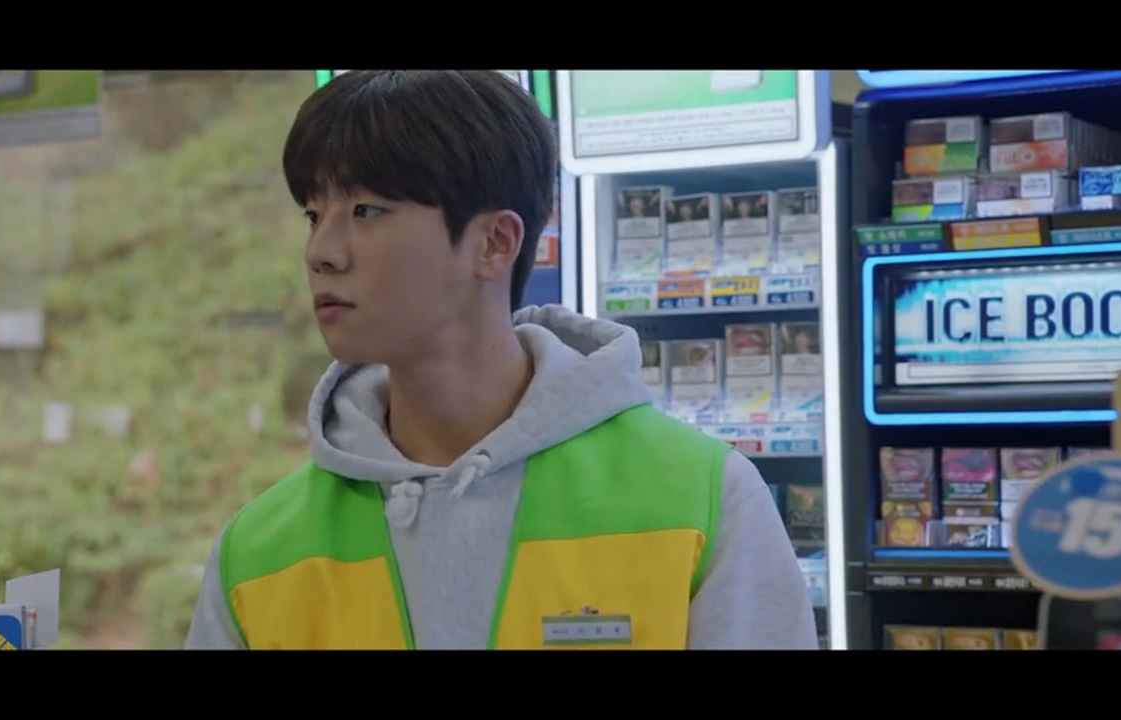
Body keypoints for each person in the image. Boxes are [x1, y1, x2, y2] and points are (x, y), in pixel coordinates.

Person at [184, 70, 818, 650]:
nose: (321, 251)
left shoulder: (702, 501)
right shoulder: (258, 553)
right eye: (313, 214)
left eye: (366, 211)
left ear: (495, 242)